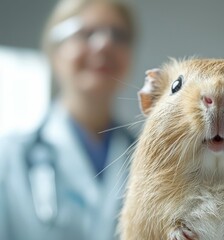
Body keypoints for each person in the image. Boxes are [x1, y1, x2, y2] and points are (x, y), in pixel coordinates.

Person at [0, 0, 135, 239]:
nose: (104, 43)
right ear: (54, 52)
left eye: (118, 35)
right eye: (85, 33)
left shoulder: (150, 158)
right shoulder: (10, 157)